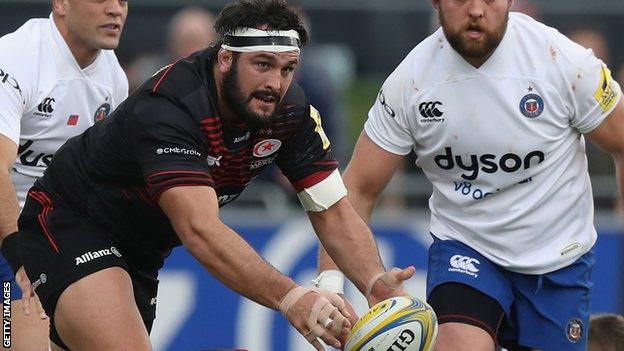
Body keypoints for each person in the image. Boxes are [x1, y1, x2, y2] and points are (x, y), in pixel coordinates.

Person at [2, 1, 414, 350]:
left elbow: (333, 210)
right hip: (72, 222)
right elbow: (199, 230)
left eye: (288, 69)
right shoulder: (172, 106)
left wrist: (374, 283)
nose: (275, 83)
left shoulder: (290, 111)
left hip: (143, 251)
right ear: (224, 59)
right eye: (263, 65)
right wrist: (291, 298)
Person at [318, 0, 624, 350]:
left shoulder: (564, 63)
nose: (476, 9)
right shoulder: (411, 81)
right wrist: (330, 284)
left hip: (558, 258)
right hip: (466, 250)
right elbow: (357, 188)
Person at [0, 0, 128, 349]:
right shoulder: (15, 58)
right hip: (7, 231)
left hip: (54, 229)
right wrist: (18, 256)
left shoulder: (112, 77)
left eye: (123, 0)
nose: (116, 9)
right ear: (61, 4)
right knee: (24, 341)